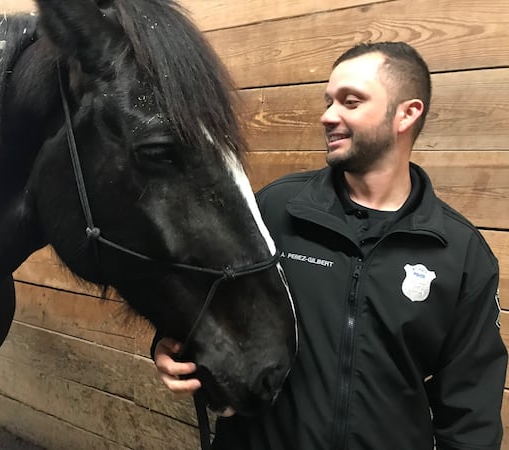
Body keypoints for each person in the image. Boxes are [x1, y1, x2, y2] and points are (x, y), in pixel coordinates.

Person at [152, 42, 507, 449]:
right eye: (328, 101)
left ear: (407, 114)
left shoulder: (458, 253)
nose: (327, 116)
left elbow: (470, 412)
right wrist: (169, 343)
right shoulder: (275, 209)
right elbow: (205, 302)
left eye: (350, 102)